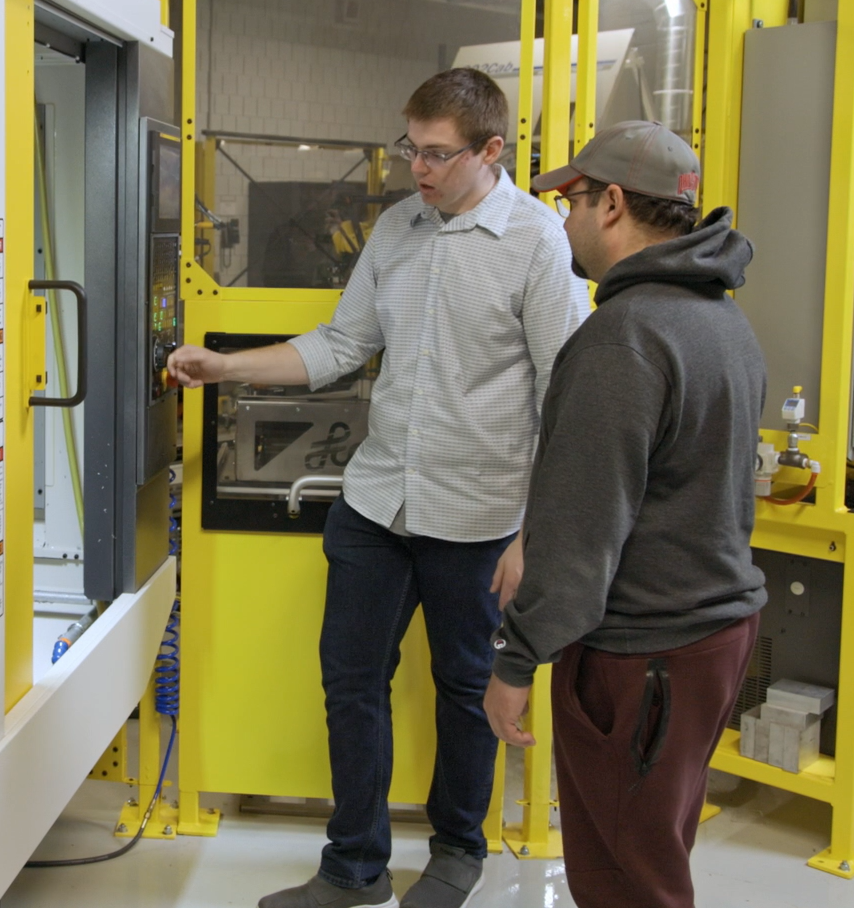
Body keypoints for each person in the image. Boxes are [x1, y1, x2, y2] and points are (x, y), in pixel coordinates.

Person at [168, 68, 590, 908]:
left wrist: (530, 535)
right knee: (350, 681)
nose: (417, 170)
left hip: (478, 516)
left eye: (437, 155)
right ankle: (352, 867)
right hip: (376, 502)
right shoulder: (397, 229)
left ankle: (457, 853)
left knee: (466, 688)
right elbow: (339, 343)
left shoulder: (539, 243)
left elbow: (565, 394)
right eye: (411, 149)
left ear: (490, 150)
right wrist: (224, 366)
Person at [484, 121, 769, 908]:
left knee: (622, 879)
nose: (564, 219)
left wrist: (515, 663)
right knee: (654, 850)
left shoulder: (624, 338)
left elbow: (583, 538)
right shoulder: (723, 320)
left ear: (611, 203)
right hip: (712, 635)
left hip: (642, 653)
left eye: (571, 200)